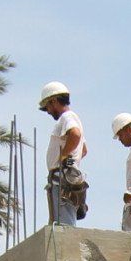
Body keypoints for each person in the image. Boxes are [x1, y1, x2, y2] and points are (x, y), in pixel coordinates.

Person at [39, 81, 88, 226]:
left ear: (54, 101)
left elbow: (75, 134)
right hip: (67, 174)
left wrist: (63, 157)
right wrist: (72, 159)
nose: (48, 111)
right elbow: (84, 150)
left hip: (62, 177)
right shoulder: (72, 118)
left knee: (64, 225)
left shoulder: (67, 117)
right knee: (61, 222)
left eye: (48, 106)